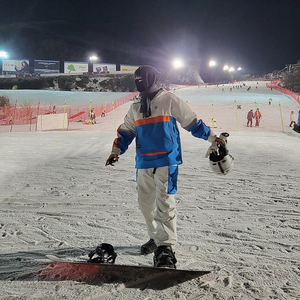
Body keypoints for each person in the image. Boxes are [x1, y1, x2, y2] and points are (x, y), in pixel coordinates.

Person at [105, 65, 225, 269]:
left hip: (166, 161)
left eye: (141, 78)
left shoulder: (169, 99)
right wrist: (116, 151)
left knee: (165, 203)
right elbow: (126, 131)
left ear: (151, 78)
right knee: (146, 206)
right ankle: (156, 238)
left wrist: (212, 137)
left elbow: (192, 122)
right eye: (136, 79)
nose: (139, 82)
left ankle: (166, 247)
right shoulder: (136, 106)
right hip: (143, 162)